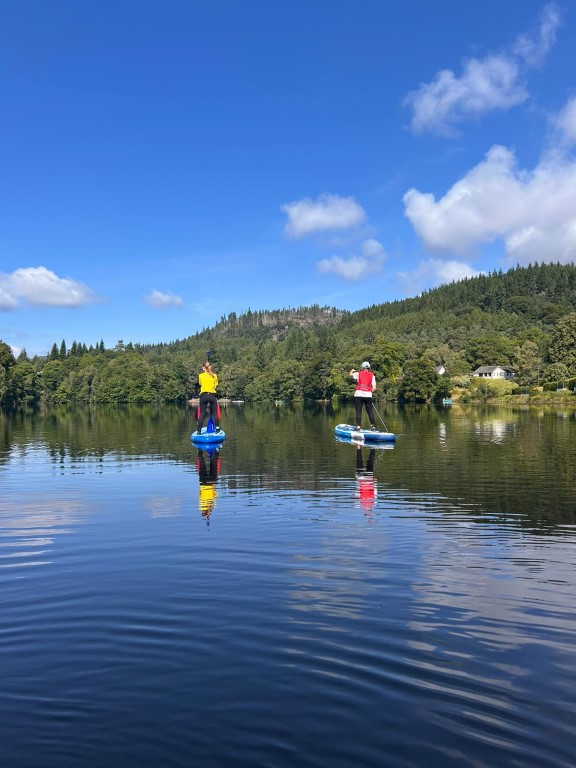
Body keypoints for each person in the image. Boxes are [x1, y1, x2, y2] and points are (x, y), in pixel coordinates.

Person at [349, 361, 377, 431]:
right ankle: (373, 427)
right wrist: (370, 391)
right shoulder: (372, 375)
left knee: (358, 411)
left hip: (358, 394)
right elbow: (374, 388)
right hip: (368, 395)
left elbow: (350, 374)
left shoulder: (358, 373)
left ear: (362, 367)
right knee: (370, 411)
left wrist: (352, 370)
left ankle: (358, 427)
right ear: (369, 368)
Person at [196, 360, 221, 434]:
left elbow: (200, 383)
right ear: (210, 367)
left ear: (204, 368)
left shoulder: (200, 375)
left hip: (203, 396)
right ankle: (217, 429)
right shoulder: (214, 375)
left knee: (202, 413)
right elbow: (216, 386)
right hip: (212, 395)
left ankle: (199, 431)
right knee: (214, 413)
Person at [197, 447, 220, 520]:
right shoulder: (201, 505)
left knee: (213, 463)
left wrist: (209, 510)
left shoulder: (212, 505)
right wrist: (208, 511)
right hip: (203, 482)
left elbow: (216, 495)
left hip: (211, 481)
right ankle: (199, 449)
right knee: (202, 463)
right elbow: (199, 494)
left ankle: (216, 449)